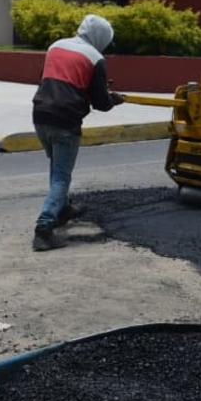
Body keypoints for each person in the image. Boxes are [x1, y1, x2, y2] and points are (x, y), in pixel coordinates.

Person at [30, 14, 125, 251]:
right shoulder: (96, 59)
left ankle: (62, 208)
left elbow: (47, 79)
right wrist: (114, 98)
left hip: (40, 114)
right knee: (62, 176)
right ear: (101, 37)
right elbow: (101, 103)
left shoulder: (55, 46)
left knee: (56, 167)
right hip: (65, 120)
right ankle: (44, 228)